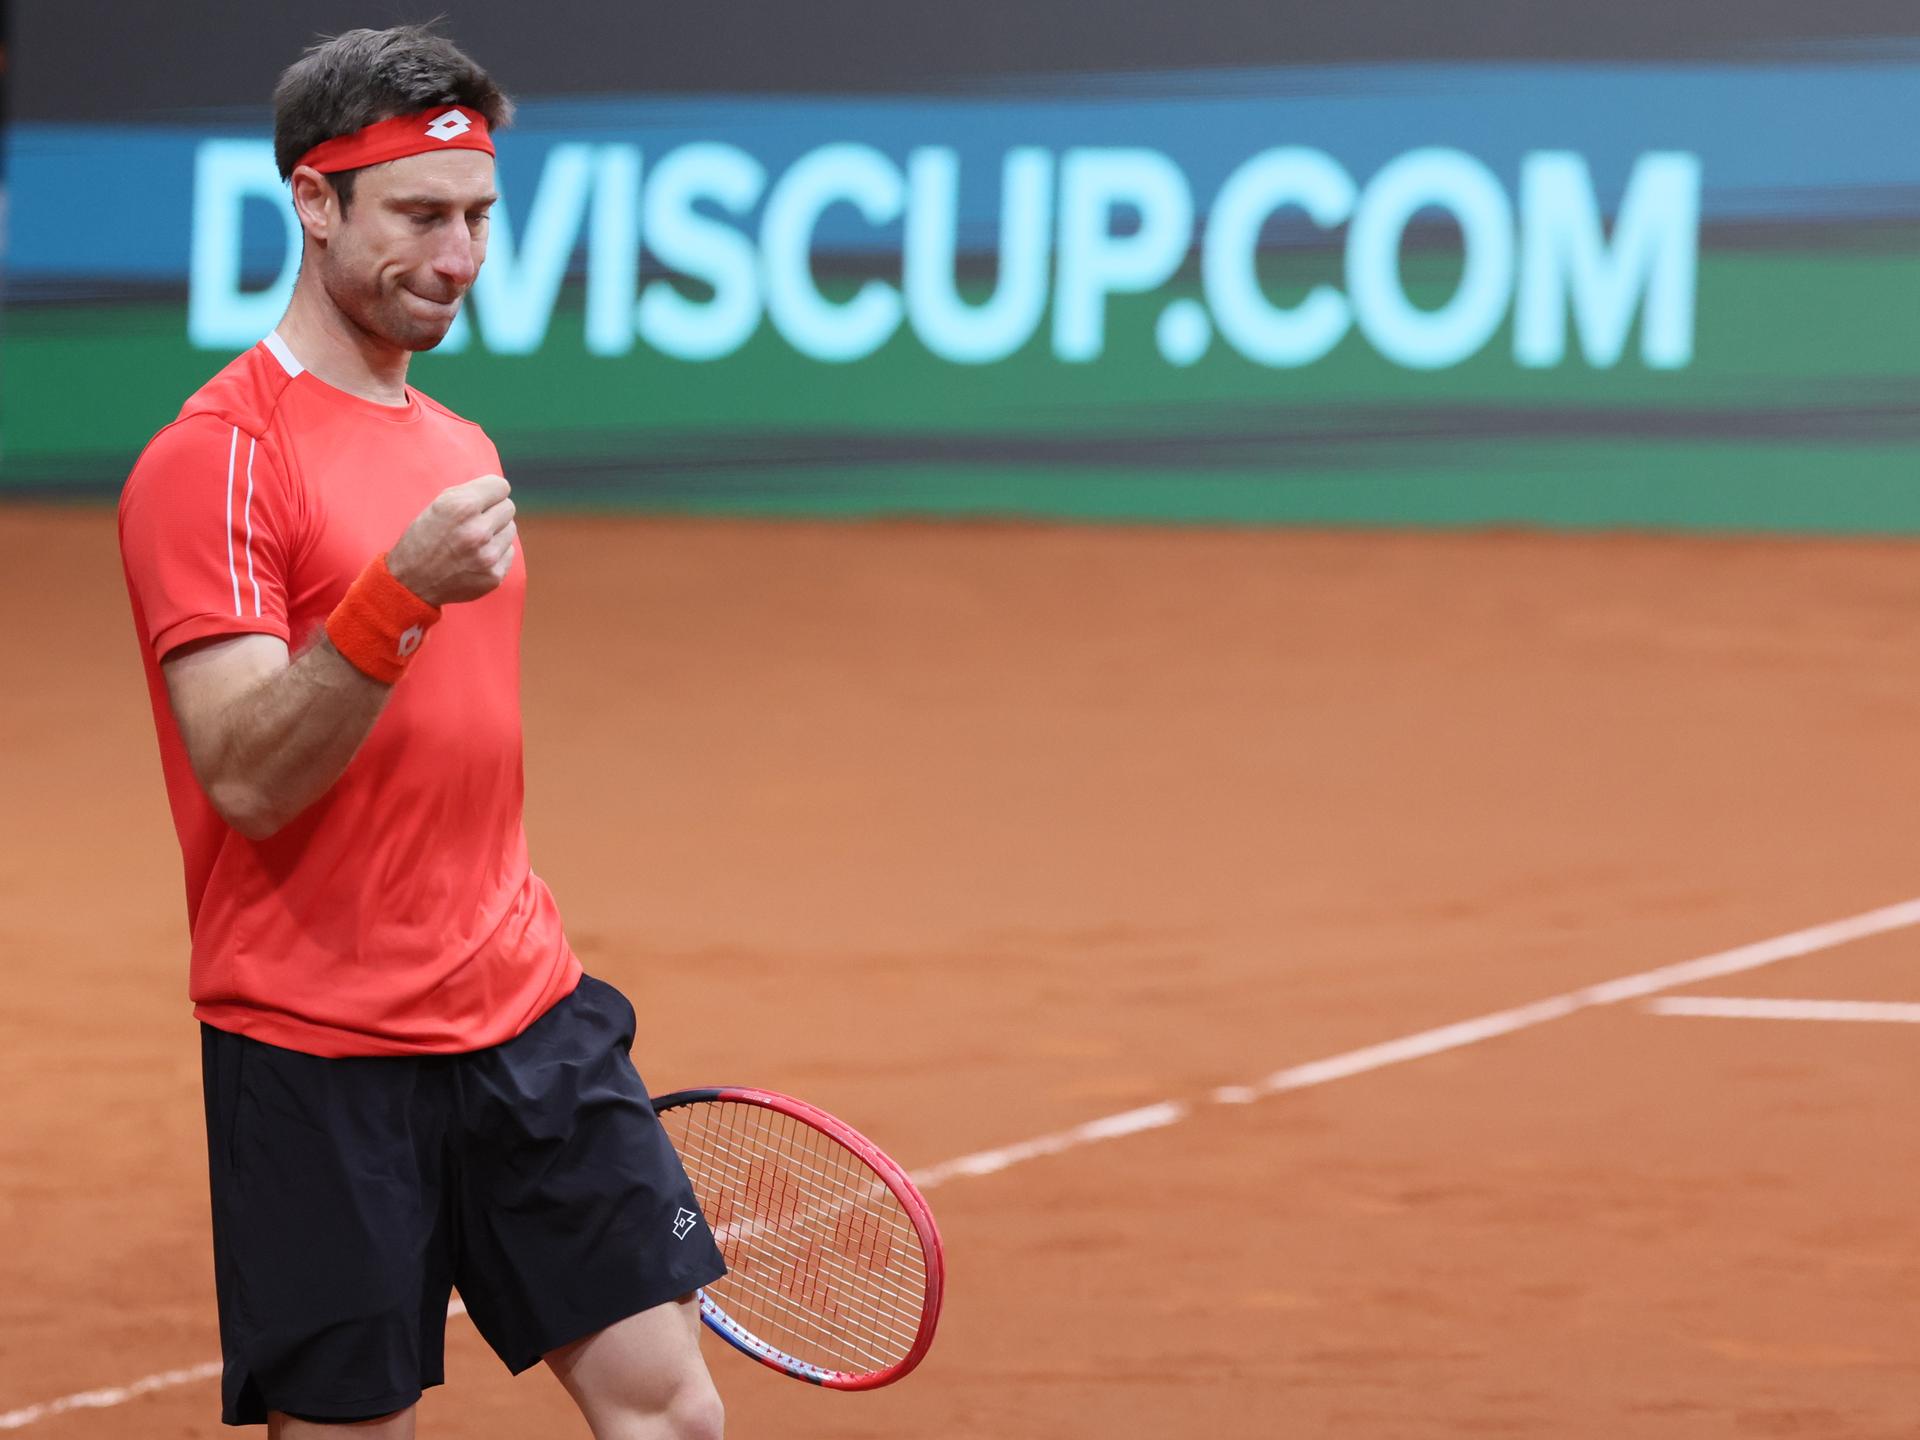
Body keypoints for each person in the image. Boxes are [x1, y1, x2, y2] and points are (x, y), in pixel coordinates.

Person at [117, 25, 727, 1439]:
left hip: (525, 1015)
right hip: (320, 1054)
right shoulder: (212, 461)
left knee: (672, 1414)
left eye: (478, 219)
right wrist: (396, 596)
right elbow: (249, 775)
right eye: (419, 217)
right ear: (316, 201)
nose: (458, 258)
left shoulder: (460, 448)